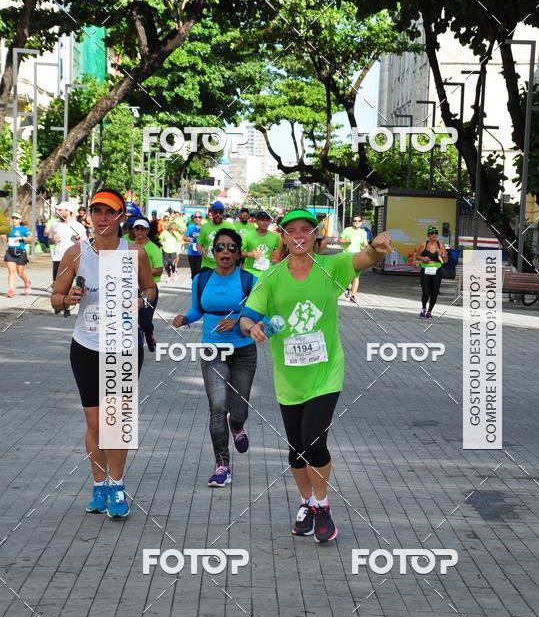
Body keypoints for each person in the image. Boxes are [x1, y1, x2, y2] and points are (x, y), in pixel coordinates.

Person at [240, 209, 391, 543]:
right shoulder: (271, 278)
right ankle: (306, 502)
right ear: (282, 236)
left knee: (313, 440)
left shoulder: (331, 267)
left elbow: (365, 257)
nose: (298, 235)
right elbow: (247, 315)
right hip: (289, 377)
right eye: (290, 230)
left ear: (315, 235)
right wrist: (251, 326)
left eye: (305, 230)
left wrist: (378, 250)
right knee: (296, 450)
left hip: (326, 373)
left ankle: (322, 505)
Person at [51, 188, 156, 519]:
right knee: (96, 422)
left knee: (116, 423)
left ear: (121, 217)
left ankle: (118, 485)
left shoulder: (135, 253)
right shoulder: (76, 253)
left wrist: (140, 301)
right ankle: (99, 484)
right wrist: (67, 300)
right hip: (85, 346)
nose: (102, 218)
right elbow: (55, 298)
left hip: (123, 346)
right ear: (89, 216)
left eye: (109, 212)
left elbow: (151, 289)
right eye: (96, 211)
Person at [172, 227, 258, 488]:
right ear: (213, 251)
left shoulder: (249, 280)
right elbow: (197, 309)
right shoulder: (201, 279)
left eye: (232, 247)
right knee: (218, 407)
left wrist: (239, 320)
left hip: (243, 350)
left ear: (239, 253)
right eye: (220, 246)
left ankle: (238, 426)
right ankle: (222, 466)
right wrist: (185, 318)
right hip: (212, 350)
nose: (225, 251)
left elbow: (259, 313)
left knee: (238, 408)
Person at [46, 202, 87, 316]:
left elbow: (86, 243)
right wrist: (53, 240)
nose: (58, 212)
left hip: (75, 259)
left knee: (76, 284)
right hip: (58, 257)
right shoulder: (55, 225)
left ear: (69, 212)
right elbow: (49, 240)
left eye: (61, 210)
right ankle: (62, 305)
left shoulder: (78, 226)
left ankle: (68, 305)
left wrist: (79, 239)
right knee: (57, 283)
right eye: (57, 210)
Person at [132, 217, 163, 351]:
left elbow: (159, 270)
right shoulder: (127, 243)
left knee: (145, 321)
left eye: (142, 228)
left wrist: (143, 270)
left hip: (148, 288)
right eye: (137, 228)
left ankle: (149, 334)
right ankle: (136, 344)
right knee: (131, 318)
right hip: (130, 287)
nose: (139, 231)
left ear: (147, 230)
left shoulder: (153, 249)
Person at [414, 225, 447, 318]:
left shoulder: (440, 245)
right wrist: (423, 258)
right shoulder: (424, 244)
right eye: (432, 233)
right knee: (426, 292)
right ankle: (423, 308)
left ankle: (429, 311)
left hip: (437, 270)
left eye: (436, 232)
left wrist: (442, 254)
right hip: (425, 270)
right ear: (428, 235)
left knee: (434, 292)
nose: (434, 234)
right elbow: (416, 256)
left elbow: (445, 260)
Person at [241, 210, 282, 277]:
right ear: (256, 222)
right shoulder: (249, 235)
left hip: (267, 273)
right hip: (250, 272)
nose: (264, 222)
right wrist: (249, 254)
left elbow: (283, 251)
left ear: (269, 222)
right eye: (262, 220)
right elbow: (237, 252)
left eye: (267, 220)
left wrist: (277, 264)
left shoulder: (275, 237)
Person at [339, 215, 369, 301]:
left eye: (359, 221)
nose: (357, 222)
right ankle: (347, 287)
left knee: (356, 277)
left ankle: (353, 295)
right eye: (355, 221)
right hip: (347, 256)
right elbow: (340, 240)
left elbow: (365, 244)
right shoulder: (347, 230)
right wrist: (347, 241)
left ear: (361, 222)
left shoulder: (363, 232)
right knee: (347, 275)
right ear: (352, 222)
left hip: (357, 257)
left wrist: (369, 248)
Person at [3, 213, 33, 297]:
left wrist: (22, 238)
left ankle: (26, 282)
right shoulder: (9, 229)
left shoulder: (23, 229)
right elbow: (6, 238)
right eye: (13, 218)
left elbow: (31, 238)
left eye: (16, 218)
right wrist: (5, 237)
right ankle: (11, 290)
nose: (14, 219)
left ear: (20, 220)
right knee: (11, 272)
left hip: (20, 252)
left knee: (20, 273)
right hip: (10, 252)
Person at [198, 201, 226, 270]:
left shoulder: (230, 227)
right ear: (212, 213)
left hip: (224, 266)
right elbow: (198, 244)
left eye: (220, 212)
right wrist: (201, 251)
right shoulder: (205, 227)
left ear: (223, 213)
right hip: (207, 266)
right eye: (215, 212)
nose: (218, 215)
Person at [159, 212, 180, 281]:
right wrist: (161, 243)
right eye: (171, 228)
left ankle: (174, 272)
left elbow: (180, 240)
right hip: (165, 249)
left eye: (174, 228)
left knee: (172, 263)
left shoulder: (176, 233)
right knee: (166, 264)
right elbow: (160, 239)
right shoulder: (165, 232)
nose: (172, 229)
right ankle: (169, 275)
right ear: (169, 227)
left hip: (173, 250)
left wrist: (175, 234)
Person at [184, 212, 204, 278]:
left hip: (201, 253)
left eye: (199, 217)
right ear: (193, 218)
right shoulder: (190, 227)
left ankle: (199, 287)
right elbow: (184, 238)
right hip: (191, 253)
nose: (197, 218)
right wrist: (189, 239)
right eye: (196, 217)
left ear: (202, 218)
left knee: (199, 271)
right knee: (193, 272)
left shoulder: (204, 228)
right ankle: (194, 287)